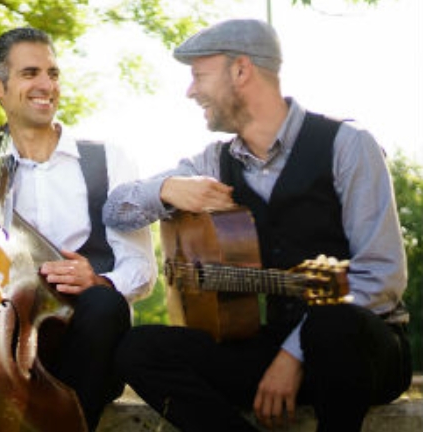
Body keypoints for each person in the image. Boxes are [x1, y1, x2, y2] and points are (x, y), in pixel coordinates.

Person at [103, 18, 411, 432]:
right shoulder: (212, 163)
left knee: (333, 325)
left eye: (198, 76)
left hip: (362, 351)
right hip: (267, 347)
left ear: (241, 70)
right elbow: (115, 210)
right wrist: (168, 190)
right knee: (138, 350)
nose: (190, 90)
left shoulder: (348, 146)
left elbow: (382, 277)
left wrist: (292, 356)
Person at [0, 27, 157, 431]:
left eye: (54, 73)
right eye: (30, 73)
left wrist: (99, 280)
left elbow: (142, 270)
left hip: (91, 344)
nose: (47, 85)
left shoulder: (108, 160)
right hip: (16, 345)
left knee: (104, 305)